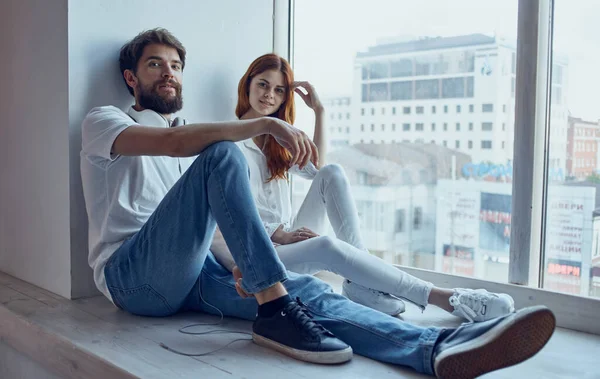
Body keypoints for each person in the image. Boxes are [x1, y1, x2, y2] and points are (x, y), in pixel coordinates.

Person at [80, 28, 556, 378]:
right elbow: (173, 147)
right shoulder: (105, 121)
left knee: (310, 295)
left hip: (192, 273)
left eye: (175, 65)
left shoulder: (186, 138)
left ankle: (435, 346)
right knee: (221, 154)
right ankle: (275, 310)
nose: (168, 73)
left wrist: (246, 261)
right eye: (155, 65)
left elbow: (206, 227)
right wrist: (263, 125)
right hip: (130, 277)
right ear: (130, 78)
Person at [211, 53, 514, 323]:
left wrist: (320, 112)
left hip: (290, 243)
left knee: (333, 172)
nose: (269, 95)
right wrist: (279, 234)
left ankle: (364, 285)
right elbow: (225, 214)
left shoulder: (279, 142)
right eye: (263, 84)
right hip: (257, 255)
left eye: (278, 90)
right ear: (248, 84)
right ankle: (448, 298)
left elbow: (319, 170)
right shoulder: (226, 142)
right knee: (328, 245)